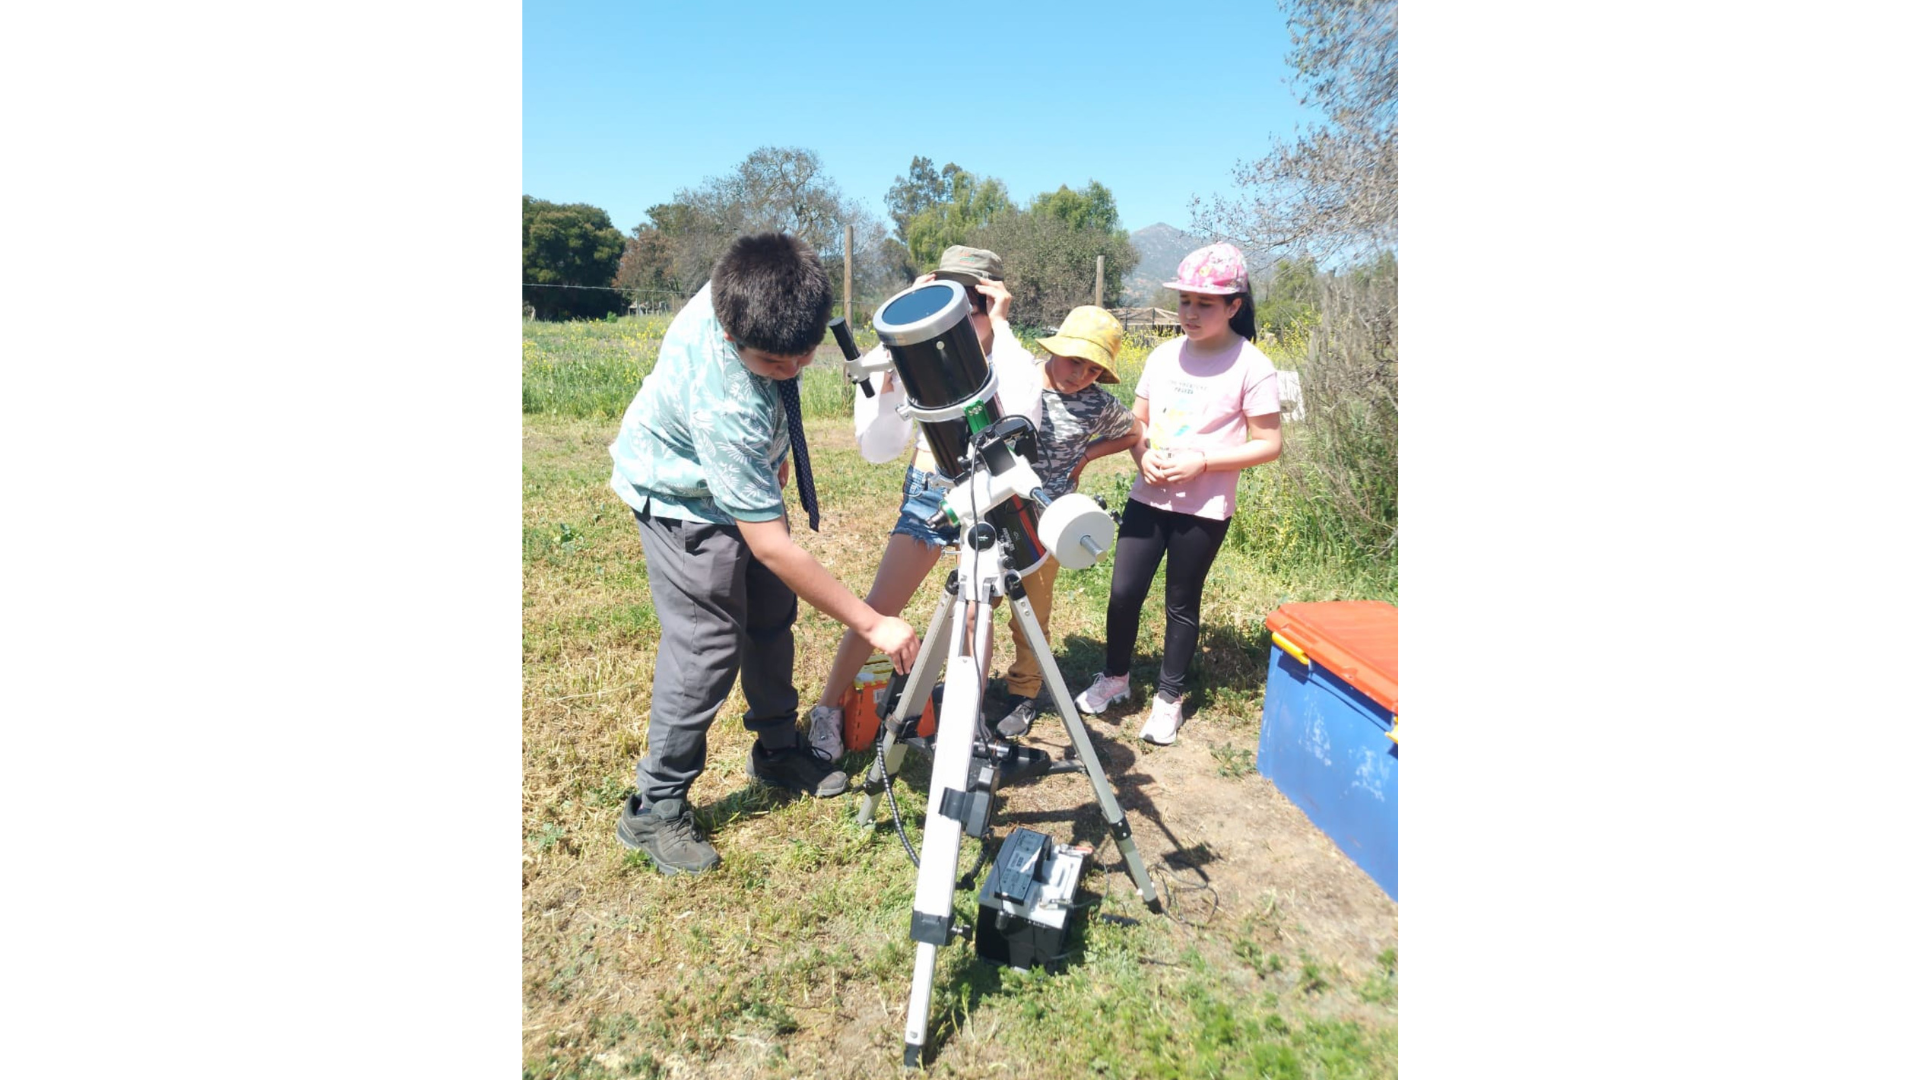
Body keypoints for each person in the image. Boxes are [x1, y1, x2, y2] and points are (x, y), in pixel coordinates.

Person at [607, 232, 921, 876]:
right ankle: (654, 805)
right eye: (777, 366)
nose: (796, 371)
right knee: (706, 648)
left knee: (772, 616)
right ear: (729, 333)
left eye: (806, 356)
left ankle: (777, 751)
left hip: (734, 473)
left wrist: (767, 460)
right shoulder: (728, 403)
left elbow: (780, 320)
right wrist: (870, 621)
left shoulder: (757, 284)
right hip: (682, 497)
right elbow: (773, 547)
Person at [803, 246, 1044, 759]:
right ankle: (827, 709)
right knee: (879, 607)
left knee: (977, 615)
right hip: (932, 487)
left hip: (990, 494)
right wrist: (893, 371)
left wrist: (1000, 328)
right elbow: (878, 447)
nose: (965, 316)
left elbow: (1024, 415)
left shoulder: (1010, 357)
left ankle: (965, 725)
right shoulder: (912, 358)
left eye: (975, 303)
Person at [1073, 242, 1283, 745]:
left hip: (1205, 509)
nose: (1189, 314)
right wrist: (1140, 455)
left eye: (1204, 305)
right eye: (1185, 301)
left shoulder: (1253, 367)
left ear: (1234, 306)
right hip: (1148, 496)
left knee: (1181, 603)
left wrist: (1203, 461)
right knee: (1123, 593)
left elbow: (1270, 444)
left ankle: (1168, 698)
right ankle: (1116, 678)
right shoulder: (1164, 356)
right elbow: (1136, 424)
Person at [990, 306, 1143, 739]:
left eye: (1095, 369)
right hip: (993, 511)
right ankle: (973, 685)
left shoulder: (1095, 403)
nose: (1081, 375)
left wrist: (1088, 454)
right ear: (1056, 348)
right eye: (1077, 360)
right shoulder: (1013, 379)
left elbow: (1134, 431)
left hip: (1048, 524)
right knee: (979, 606)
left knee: (1031, 617)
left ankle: (1024, 693)